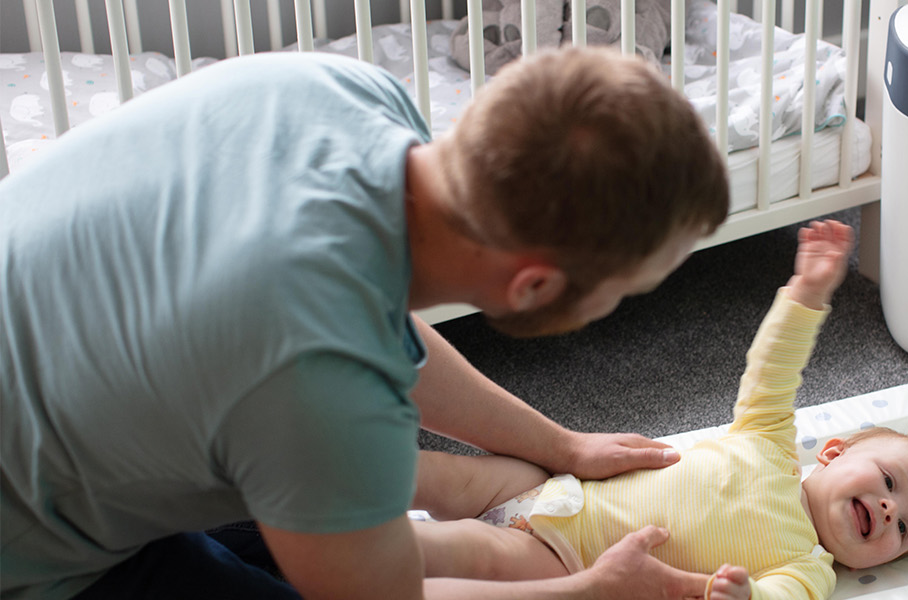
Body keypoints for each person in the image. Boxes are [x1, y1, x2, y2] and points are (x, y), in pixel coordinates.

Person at [0, 46, 729, 600]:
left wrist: (560, 445)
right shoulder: (318, 377)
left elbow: (370, 323)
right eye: (625, 293)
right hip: (27, 549)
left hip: (65, 395)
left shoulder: (339, 90)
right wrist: (589, 592)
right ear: (534, 284)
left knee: (292, 498)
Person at [410, 220, 908, 600]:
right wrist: (807, 294)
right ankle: (358, 480)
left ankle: (369, 554)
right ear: (833, 453)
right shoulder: (769, 442)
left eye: (904, 529)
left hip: (569, 562)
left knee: (470, 553)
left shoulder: (809, 569)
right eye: (889, 481)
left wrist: (742, 592)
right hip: (555, 485)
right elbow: (773, 370)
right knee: (439, 474)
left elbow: (774, 597)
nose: (889, 510)